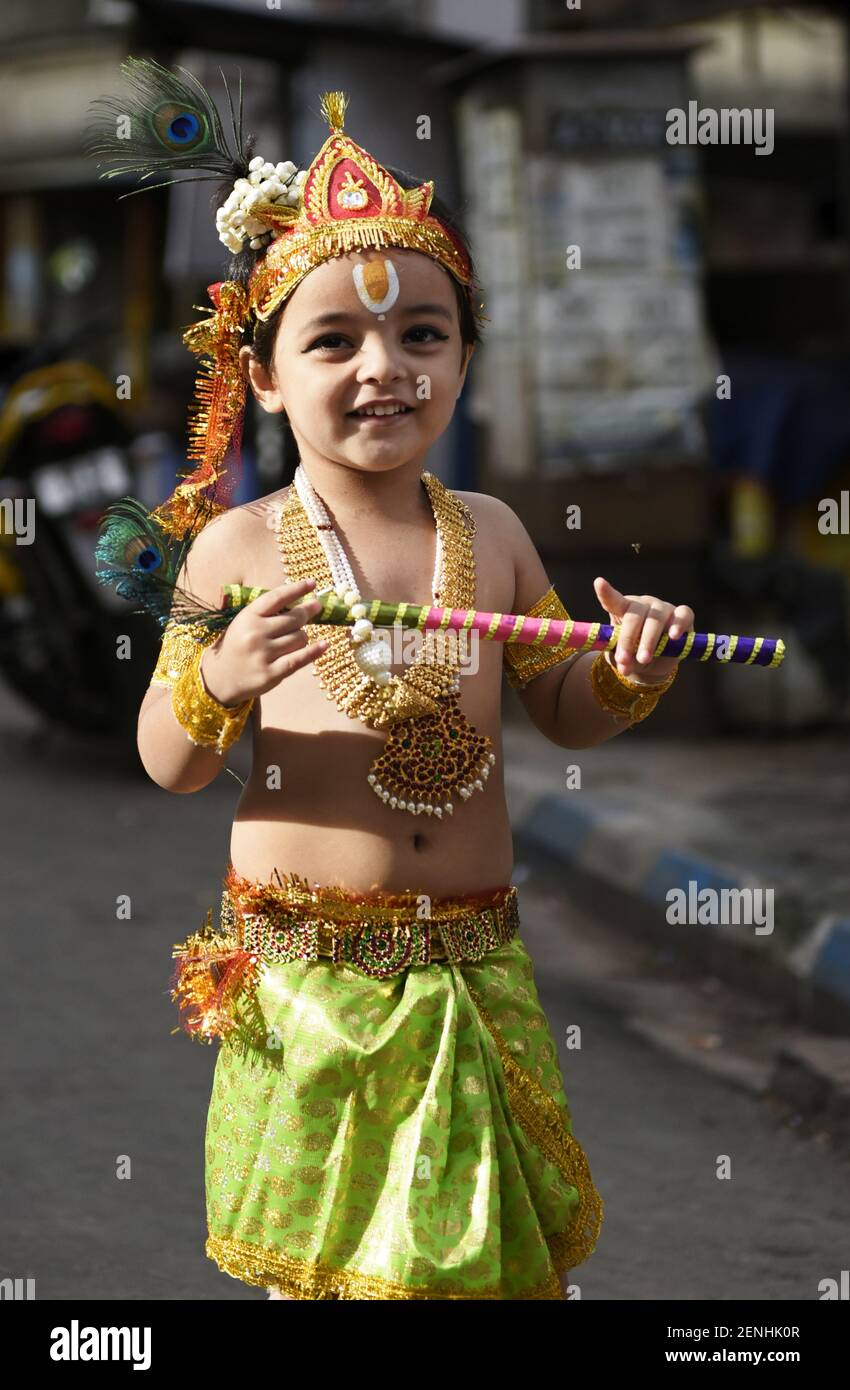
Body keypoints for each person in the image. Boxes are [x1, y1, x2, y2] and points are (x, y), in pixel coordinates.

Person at [89, 67, 693, 1300]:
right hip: (310, 993)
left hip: (477, 974)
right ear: (262, 375)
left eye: (423, 332)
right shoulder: (236, 550)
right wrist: (219, 675)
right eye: (334, 338)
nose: (385, 366)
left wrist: (626, 672)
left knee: (482, 1273)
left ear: (465, 354)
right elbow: (168, 755)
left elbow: (557, 706)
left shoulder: (496, 529)